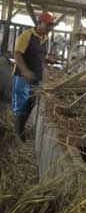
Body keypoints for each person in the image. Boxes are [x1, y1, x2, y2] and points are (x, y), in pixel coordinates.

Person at [11, 12, 54, 142]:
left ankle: (21, 128)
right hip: (23, 75)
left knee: (30, 103)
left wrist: (48, 60)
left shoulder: (46, 39)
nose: (50, 28)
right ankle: (17, 133)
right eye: (48, 25)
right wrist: (25, 71)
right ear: (39, 23)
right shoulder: (27, 35)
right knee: (21, 102)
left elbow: (40, 56)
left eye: (51, 25)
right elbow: (17, 54)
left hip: (37, 77)